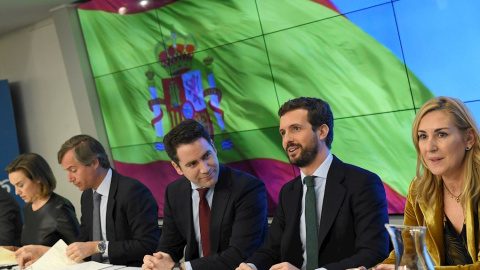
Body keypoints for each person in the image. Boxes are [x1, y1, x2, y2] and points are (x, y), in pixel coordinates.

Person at [237, 97, 390, 270]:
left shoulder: (363, 183)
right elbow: (271, 250)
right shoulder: (288, 191)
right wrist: (251, 266)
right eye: (283, 133)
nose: (287, 140)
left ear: (322, 132)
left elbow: (374, 253)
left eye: (296, 128)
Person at [16, 135, 161, 267]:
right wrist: (47, 260)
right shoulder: (87, 196)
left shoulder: (132, 191)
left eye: (73, 170)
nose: (69, 179)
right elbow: (83, 243)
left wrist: (98, 247)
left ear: (94, 163)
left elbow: (148, 244)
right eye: (67, 171)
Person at [142, 119, 268, 270]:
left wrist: (180, 268)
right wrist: (156, 262)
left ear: (214, 148)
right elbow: (169, 246)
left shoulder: (248, 188)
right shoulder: (174, 192)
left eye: (207, 155)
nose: (205, 169)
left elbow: (239, 254)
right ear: (177, 167)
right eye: (192, 164)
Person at [376, 96, 480, 269]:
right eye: (423, 136)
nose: (430, 147)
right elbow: (408, 253)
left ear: (469, 138)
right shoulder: (419, 189)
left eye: (441, 134)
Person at [4, 153, 79, 252]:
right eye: (14, 186)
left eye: (21, 185)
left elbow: (81, 253)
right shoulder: (27, 208)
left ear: (38, 178)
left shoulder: (60, 208)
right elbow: (32, 248)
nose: (17, 192)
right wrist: (13, 250)